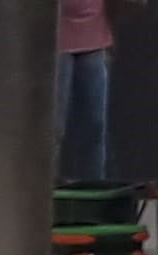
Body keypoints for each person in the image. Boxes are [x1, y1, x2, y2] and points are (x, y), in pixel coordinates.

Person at [56, 0, 112, 181]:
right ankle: (43, 195)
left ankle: (93, 191)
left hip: (94, 38)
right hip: (53, 38)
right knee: (53, 129)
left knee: (94, 127)